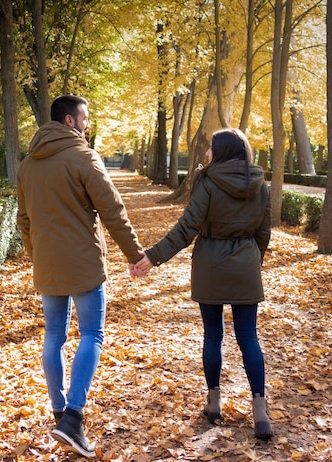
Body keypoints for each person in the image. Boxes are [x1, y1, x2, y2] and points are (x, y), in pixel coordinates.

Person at [16, 94, 147, 458]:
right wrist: (136, 256)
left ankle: (59, 412)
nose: (88, 124)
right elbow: (112, 209)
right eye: (85, 118)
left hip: (47, 264)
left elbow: (23, 221)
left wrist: (37, 256)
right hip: (85, 264)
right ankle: (73, 416)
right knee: (92, 333)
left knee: (54, 336)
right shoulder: (84, 157)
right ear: (70, 121)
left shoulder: (27, 164)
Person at [134, 127, 274, 440]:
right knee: (248, 337)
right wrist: (253, 261)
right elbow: (264, 232)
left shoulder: (208, 181)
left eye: (211, 148)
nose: (207, 154)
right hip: (246, 266)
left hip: (210, 264)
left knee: (213, 335)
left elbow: (187, 228)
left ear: (221, 150)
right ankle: (260, 411)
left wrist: (153, 257)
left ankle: (213, 404)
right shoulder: (260, 184)